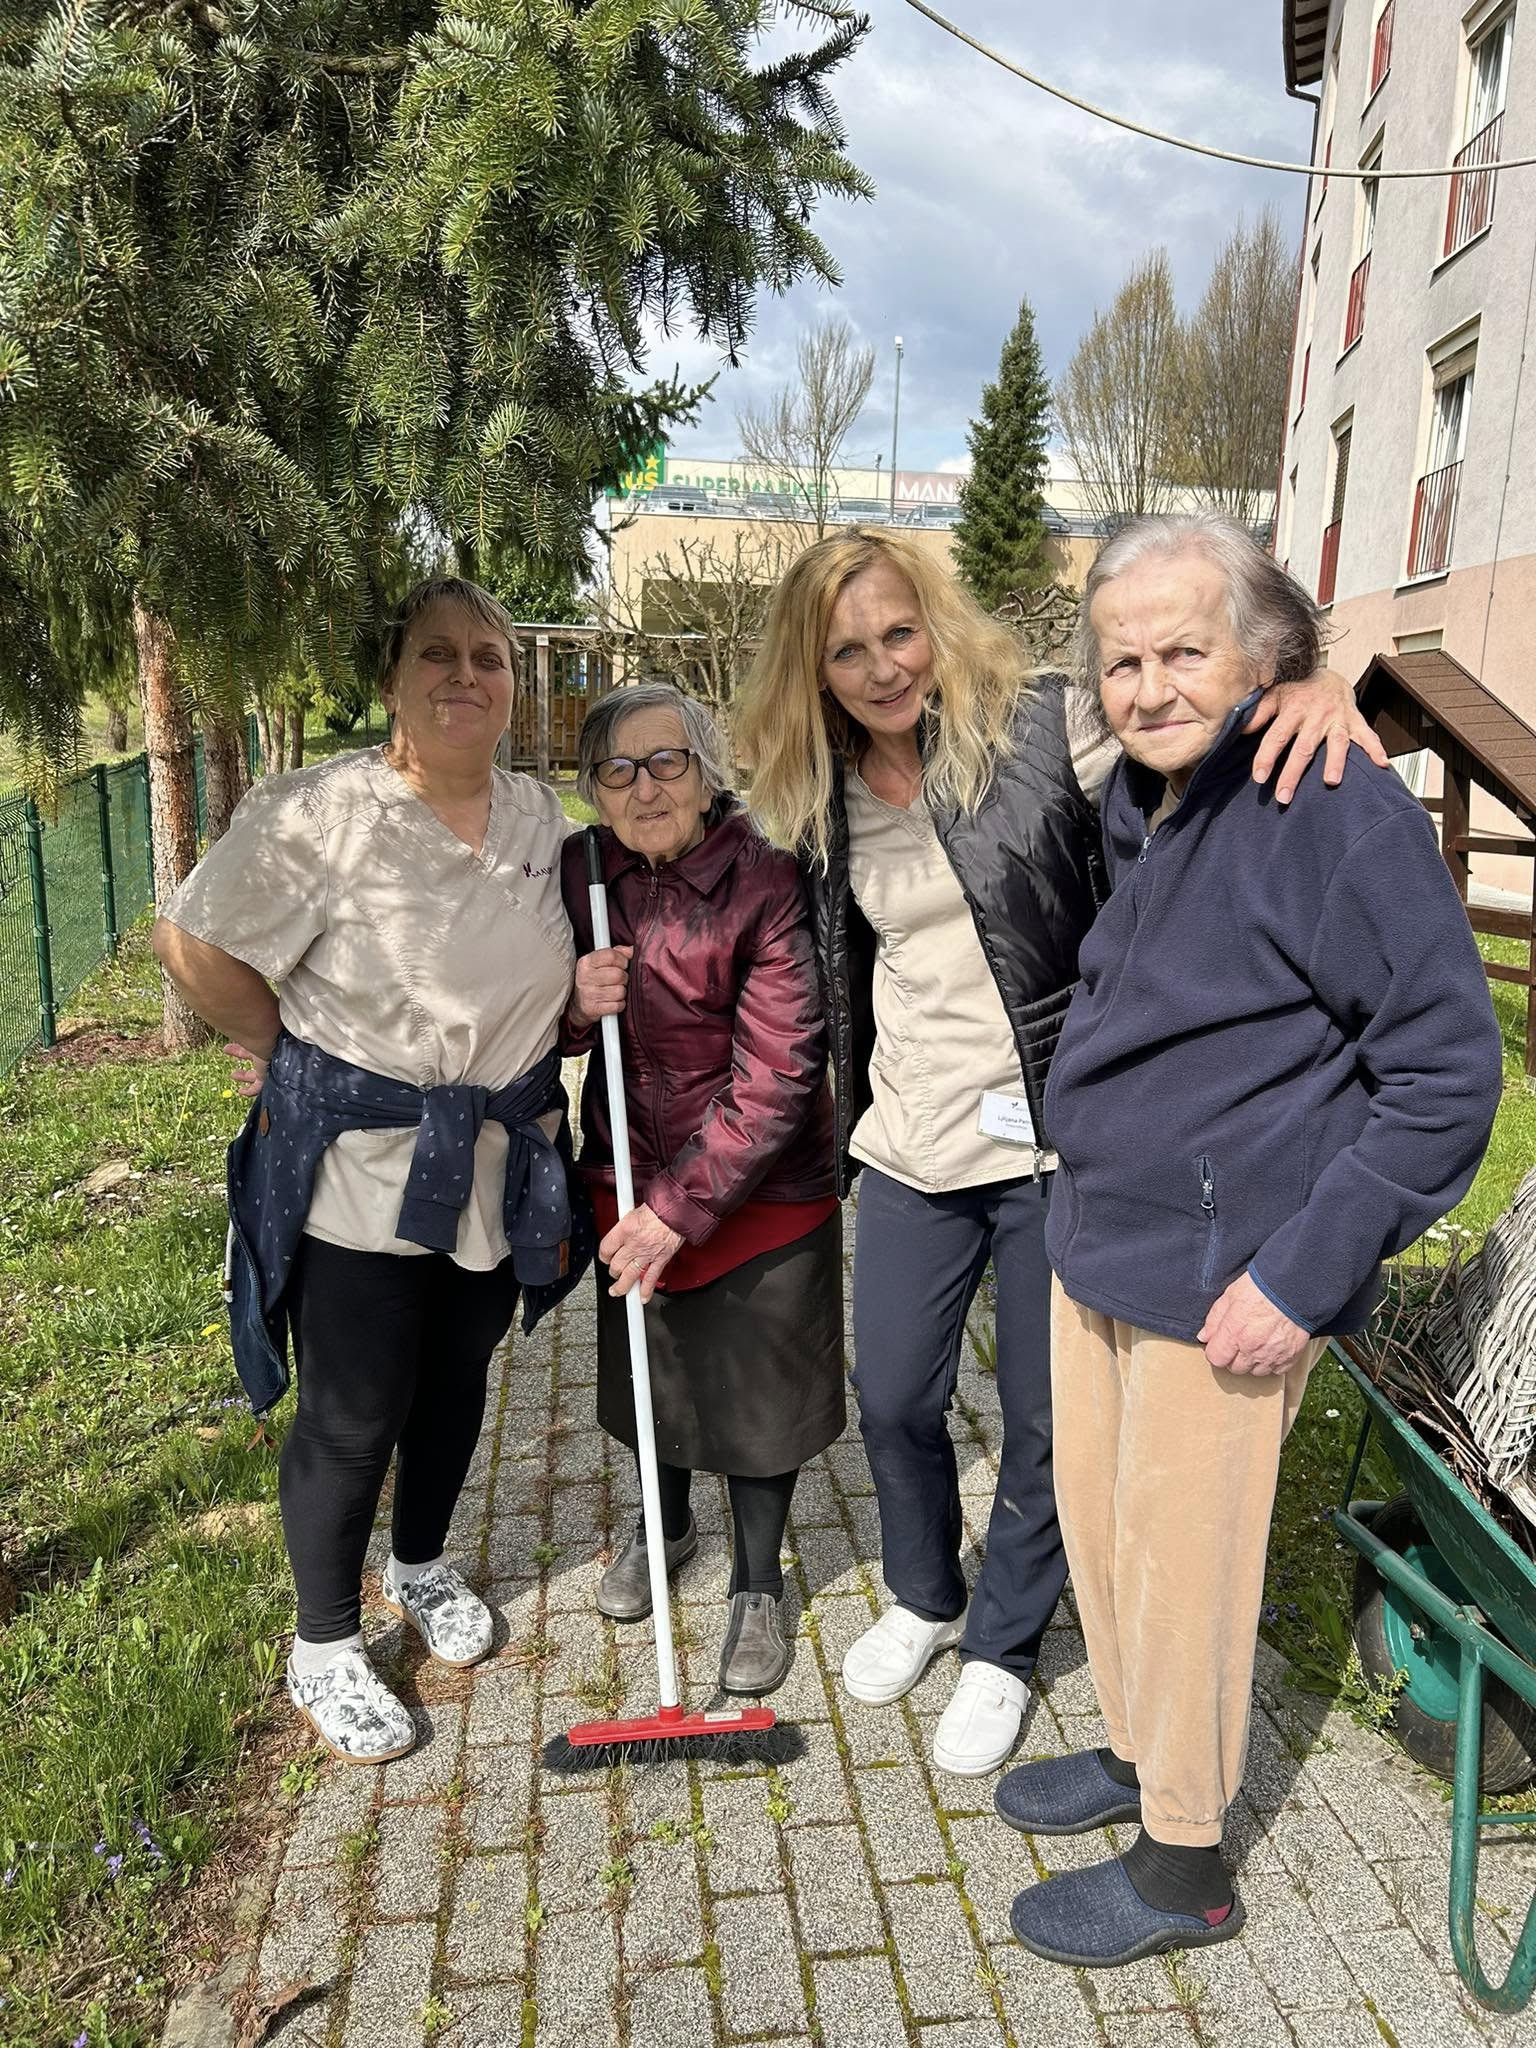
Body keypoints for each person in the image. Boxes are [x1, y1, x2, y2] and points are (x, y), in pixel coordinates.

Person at [734, 527, 1386, 1777]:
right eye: (848, 650)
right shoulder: (809, 791)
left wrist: (1307, 675)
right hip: (911, 1136)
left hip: (1052, 1136)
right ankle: (926, 1592)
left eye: (899, 632)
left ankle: (1004, 1643)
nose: (882, 668)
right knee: (894, 1396)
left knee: (1039, 1420)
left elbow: (1192, 713)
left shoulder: (1042, 726)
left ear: (936, 619)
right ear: (810, 670)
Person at [997, 512, 1503, 1966]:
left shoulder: (1330, 798)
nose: (1148, 687)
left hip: (1224, 1277)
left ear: (1266, 655)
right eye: (1122, 660)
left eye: (1185, 653)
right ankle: (1147, 1754)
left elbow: (1448, 1078)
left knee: (1186, 1561)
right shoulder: (1147, 798)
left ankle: (1186, 1867)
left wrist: (1300, 1272)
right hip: (1099, 1239)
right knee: (1106, 1534)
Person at [152, 576, 588, 1764]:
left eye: (487, 656)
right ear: (393, 679)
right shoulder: (320, 811)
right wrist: (280, 1050)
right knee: (351, 1412)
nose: (464, 676)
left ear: (512, 679)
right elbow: (191, 939)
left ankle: (420, 1561)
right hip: (363, 1165)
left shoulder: (539, 818)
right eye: (435, 655)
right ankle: (325, 1641)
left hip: (497, 1161)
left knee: (455, 1381)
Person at [561, 683, 843, 1696]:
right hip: (627, 1166)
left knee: (760, 1400)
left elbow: (778, 1069)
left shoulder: (766, 876)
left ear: (708, 769)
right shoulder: (582, 868)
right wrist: (568, 1003)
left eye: (667, 760)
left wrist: (680, 1207)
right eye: (618, 768)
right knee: (654, 1369)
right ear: (592, 788)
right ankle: (667, 1524)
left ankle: (758, 1581)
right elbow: (539, 1019)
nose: (645, 787)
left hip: (758, 1180)